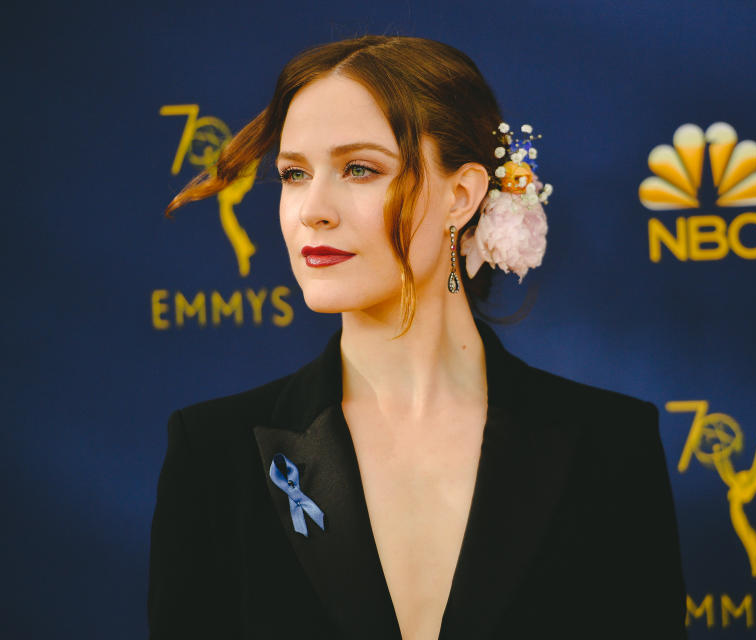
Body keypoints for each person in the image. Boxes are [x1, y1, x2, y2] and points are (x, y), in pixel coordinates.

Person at [148, 35, 686, 640]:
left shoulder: (609, 445)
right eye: (294, 174)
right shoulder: (215, 454)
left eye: (359, 169)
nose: (312, 209)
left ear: (462, 195)